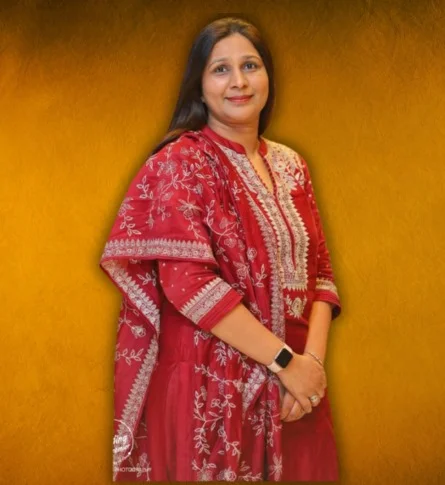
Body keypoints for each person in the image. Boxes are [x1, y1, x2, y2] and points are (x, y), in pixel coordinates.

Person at [99, 16, 342, 482]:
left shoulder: (292, 164)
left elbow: (322, 276)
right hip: (215, 386)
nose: (239, 82)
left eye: (250, 65)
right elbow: (187, 284)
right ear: (200, 84)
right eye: (220, 69)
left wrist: (310, 369)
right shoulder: (181, 162)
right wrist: (283, 362)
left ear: (268, 75)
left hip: (299, 390)